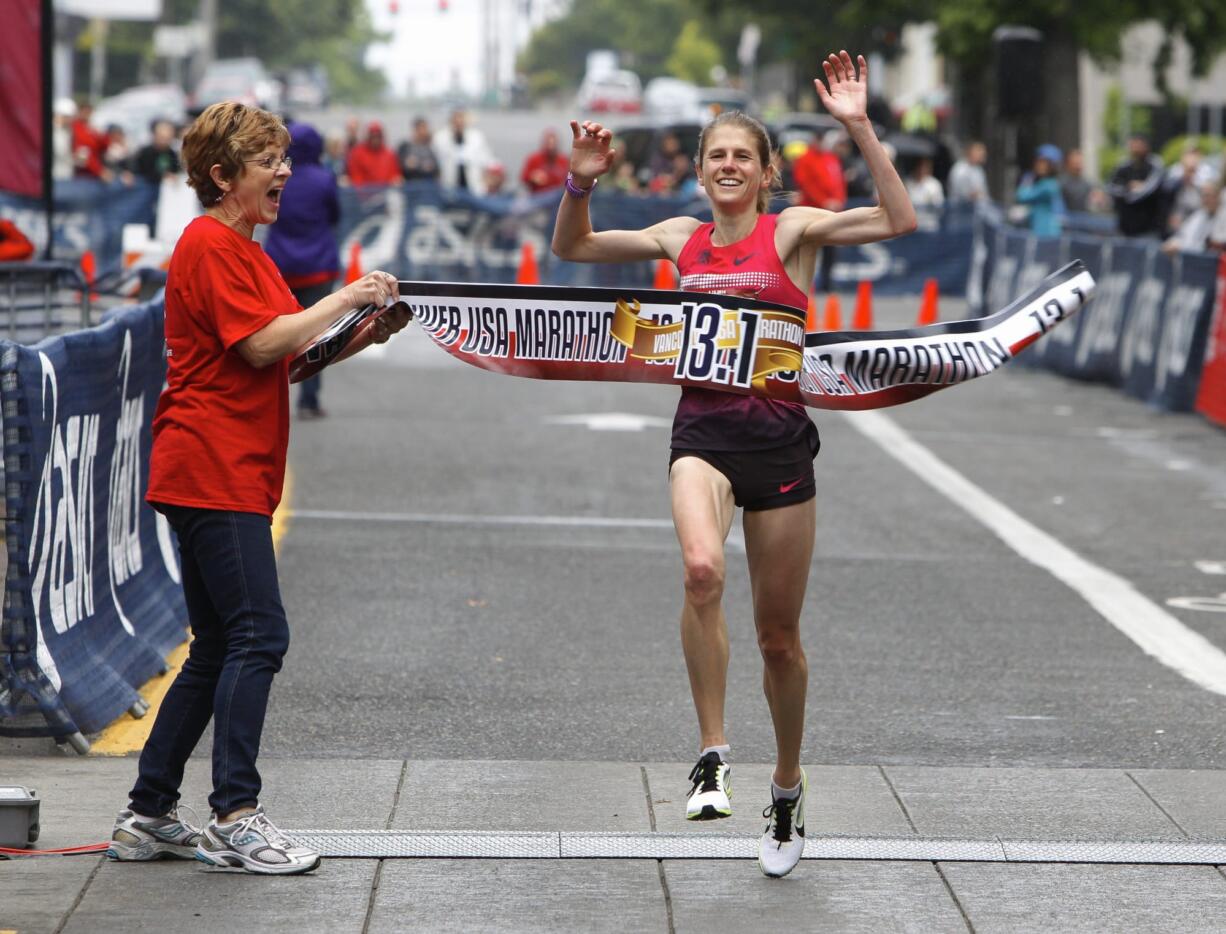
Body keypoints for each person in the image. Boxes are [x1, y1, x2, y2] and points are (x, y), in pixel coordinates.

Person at [552, 50, 915, 879]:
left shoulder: (792, 231)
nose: (726, 166)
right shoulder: (679, 238)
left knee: (778, 640)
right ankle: (713, 750)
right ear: (703, 167)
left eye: (741, 157)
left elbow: (898, 221)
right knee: (701, 570)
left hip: (782, 446)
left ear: (763, 173)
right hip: (703, 440)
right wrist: (580, 182)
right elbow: (574, 248)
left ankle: (786, 789)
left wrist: (859, 126)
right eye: (716, 154)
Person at [106, 101, 410, 875]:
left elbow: (287, 356)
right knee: (257, 635)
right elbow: (258, 344)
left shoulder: (246, 249)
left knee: (215, 650)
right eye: (267, 161)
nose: (285, 172)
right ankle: (234, 816)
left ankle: (146, 815)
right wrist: (344, 297)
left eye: (283, 158)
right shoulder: (210, 243)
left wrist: (359, 334)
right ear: (222, 176)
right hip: (213, 466)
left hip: (223, 466)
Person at [265, 121, 341, 419]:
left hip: (281, 265)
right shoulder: (324, 179)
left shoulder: (279, 177)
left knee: (275, 335)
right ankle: (309, 399)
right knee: (317, 336)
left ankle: (272, 398)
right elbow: (335, 214)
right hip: (318, 265)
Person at [792, 128, 847, 292]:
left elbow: (839, 182)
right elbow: (806, 184)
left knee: (830, 249)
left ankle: (826, 281)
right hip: (810, 210)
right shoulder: (805, 159)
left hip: (830, 212)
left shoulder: (831, 158)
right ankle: (802, 283)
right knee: (807, 249)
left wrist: (838, 201)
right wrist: (824, 201)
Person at [1107, 134, 1166, 237]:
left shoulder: (1155, 165)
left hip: (1149, 229)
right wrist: (1128, 188)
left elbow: (1147, 191)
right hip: (1124, 228)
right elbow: (1111, 187)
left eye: (1139, 146)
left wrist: (1132, 191)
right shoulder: (1123, 165)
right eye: (1133, 145)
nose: (1135, 149)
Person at [433, 108, 495, 194]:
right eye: (456, 119)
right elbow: (435, 160)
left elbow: (488, 160)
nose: (459, 122)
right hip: (449, 185)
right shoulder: (440, 138)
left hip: (473, 185)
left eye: (461, 118)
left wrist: (487, 179)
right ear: (451, 120)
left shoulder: (477, 137)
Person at [1162, 180, 1226, 254]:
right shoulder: (1199, 215)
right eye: (1203, 196)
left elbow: (1218, 241)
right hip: (1192, 258)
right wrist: (1173, 243)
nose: (1205, 200)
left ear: (1217, 196)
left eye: (1208, 195)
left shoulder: (1223, 215)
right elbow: (1182, 236)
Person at [1015, 144, 1065, 238]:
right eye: (1039, 161)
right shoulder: (1039, 181)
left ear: (1052, 166)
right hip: (1035, 229)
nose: (1039, 165)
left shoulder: (1050, 185)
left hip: (1048, 232)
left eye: (1044, 162)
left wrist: (1028, 180)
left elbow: (1022, 196)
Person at [346, 121, 402, 186]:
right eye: (373, 136)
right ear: (368, 136)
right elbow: (356, 178)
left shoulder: (390, 154)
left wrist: (396, 180)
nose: (375, 139)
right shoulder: (357, 153)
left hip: (386, 192)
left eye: (378, 136)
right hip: (364, 193)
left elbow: (395, 175)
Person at [132, 119, 182, 187]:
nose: (164, 141)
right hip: (146, 185)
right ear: (154, 135)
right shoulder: (145, 152)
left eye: (167, 138)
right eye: (162, 137)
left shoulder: (172, 153)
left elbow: (176, 169)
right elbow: (145, 172)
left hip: (166, 187)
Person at [520, 128, 570, 194]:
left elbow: (569, 180)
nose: (551, 147)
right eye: (548, 144)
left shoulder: (563, 160)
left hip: (557, 195)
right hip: (538, 195)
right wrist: (532, 178)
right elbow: (523, 178)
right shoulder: (534, 158)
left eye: (553, 144)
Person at [397, 116, 440, 182]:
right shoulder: (405, 146)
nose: (423, 132)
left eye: (425, 129)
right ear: (415, 130)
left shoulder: (431, 148)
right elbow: (401, 167)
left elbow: (435, 168)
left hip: (428, 186)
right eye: (421, 129)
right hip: (410, 186)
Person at [947, 141, 988, 205]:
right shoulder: (960, 169)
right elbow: (964, 195)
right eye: (978, 151)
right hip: (959, 208)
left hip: (977, 208)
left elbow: (984, 194)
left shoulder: (979, 170)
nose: (982, 154)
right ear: (970, 152)